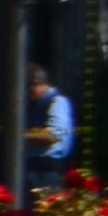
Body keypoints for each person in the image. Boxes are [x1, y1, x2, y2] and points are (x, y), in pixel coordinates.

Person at [22, 62, 74, 192]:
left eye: (28, 87)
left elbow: (53, 136)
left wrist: (21, 136)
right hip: (32, 170)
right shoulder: (35, 105)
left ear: (36, 83)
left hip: (47, 173)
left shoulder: (57, 102)